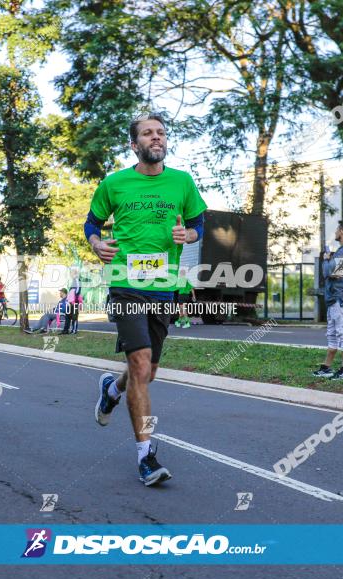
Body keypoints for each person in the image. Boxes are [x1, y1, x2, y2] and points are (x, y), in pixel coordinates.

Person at [85, 113, 207, 486]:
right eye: (148, 133)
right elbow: (92, 223)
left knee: (147, 372)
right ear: (134, 144)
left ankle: (112, 388)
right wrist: (96, 244)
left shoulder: (182, 182)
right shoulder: (115, 183)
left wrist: (189, 234)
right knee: (139, 364)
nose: (156, 138)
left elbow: (199, 223)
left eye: (161, 133)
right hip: (125, 282)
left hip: (163, 286)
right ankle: (146, 456)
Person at [312, 220, 343, 381]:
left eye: (336, 230)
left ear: (341, 231)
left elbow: (332, 273)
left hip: (340, 297)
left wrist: (327, 260)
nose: (335, 232)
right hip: (334, 298)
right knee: (332, 333)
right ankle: (326, 367)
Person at [61, 268, 82, 335]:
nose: (71, 274)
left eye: (72, 273)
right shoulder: (73, 280)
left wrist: (75, 297)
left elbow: (78, 289)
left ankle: (74, 330)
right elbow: (71, 291)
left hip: (75, 302)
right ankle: (65, 330)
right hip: (70, 302)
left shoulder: (77, 280)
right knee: (68, 316)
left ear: (75, 273)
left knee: (74, 317)